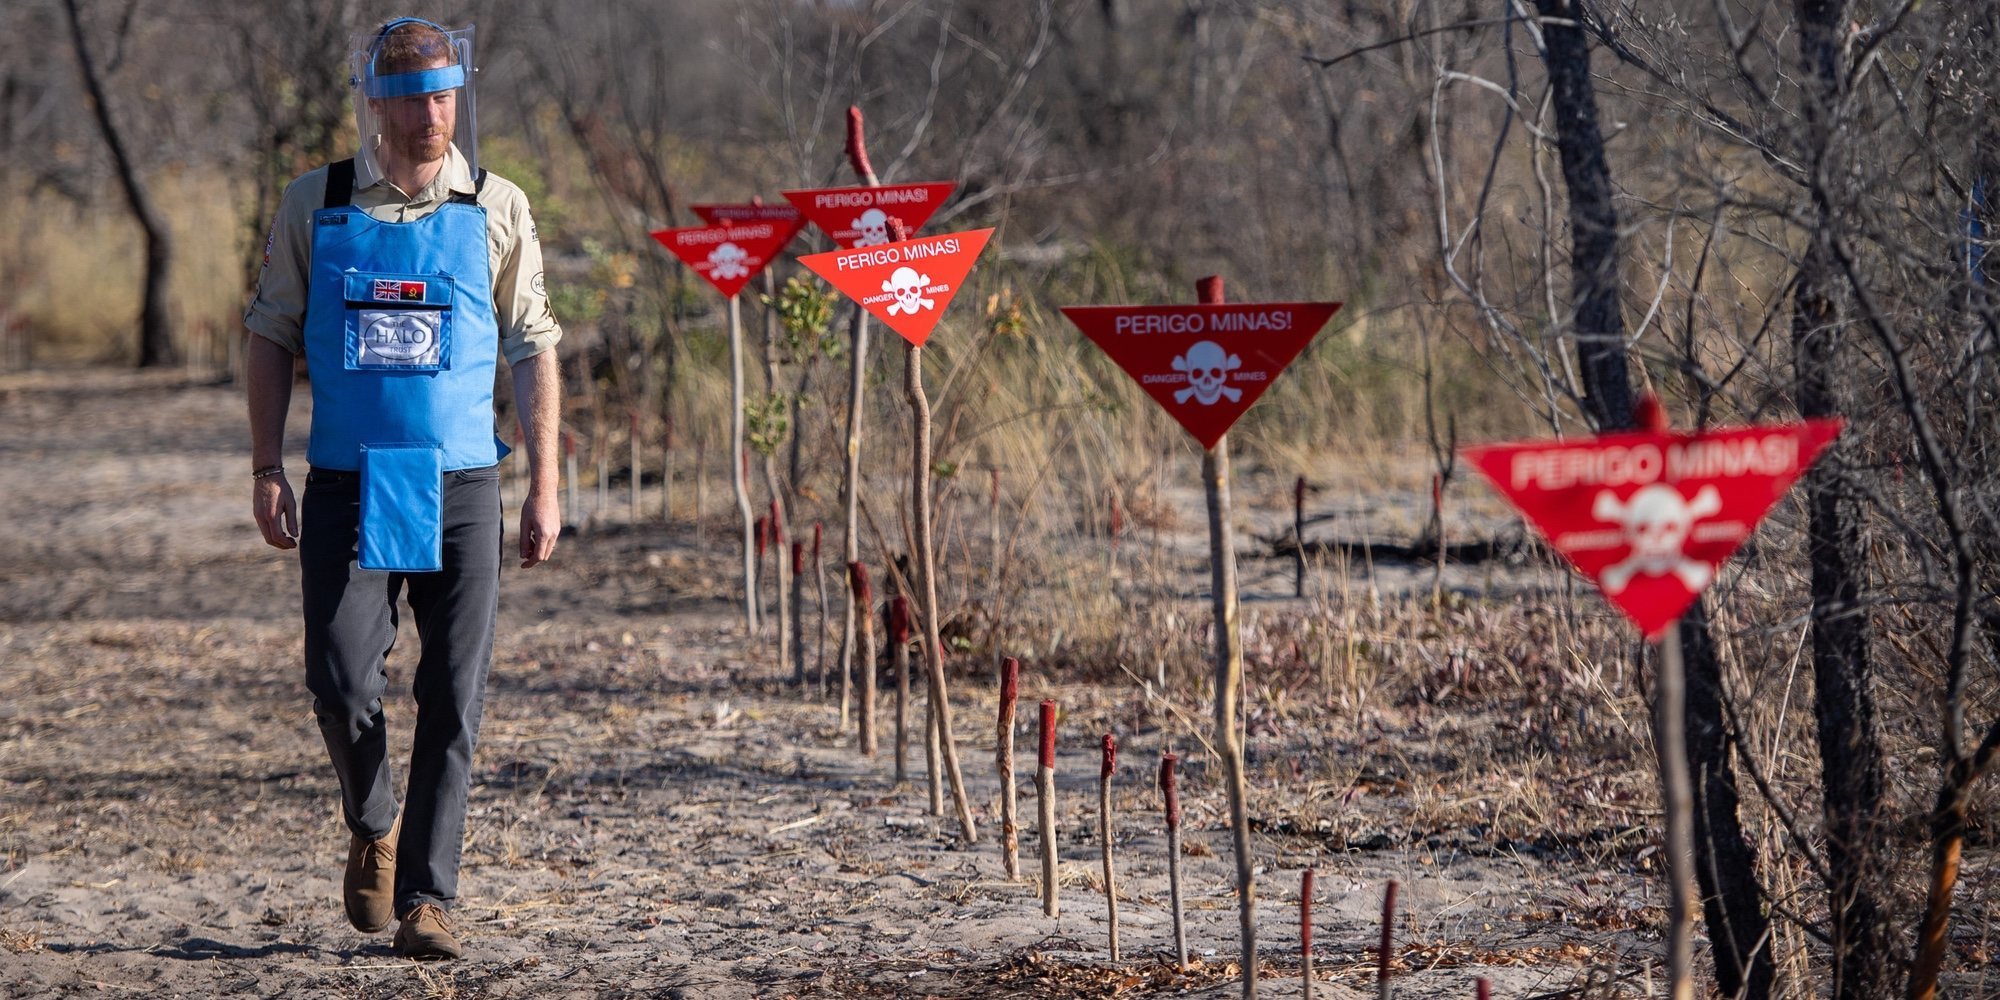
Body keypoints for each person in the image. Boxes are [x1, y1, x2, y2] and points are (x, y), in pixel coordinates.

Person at [242, 17, 562, 960]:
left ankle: (429, 895)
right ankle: (374, 817)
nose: (431, 114)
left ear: (460, 91)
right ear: (373, 103)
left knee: (454, 693)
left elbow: (534, 344)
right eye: (411, 97)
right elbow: (269, 332)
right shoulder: (318, 202)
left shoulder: (497, 205)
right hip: (346, 480)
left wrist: (545, 482)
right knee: (339, 680)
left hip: (464, 480)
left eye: (443, 94)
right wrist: (266, 464)